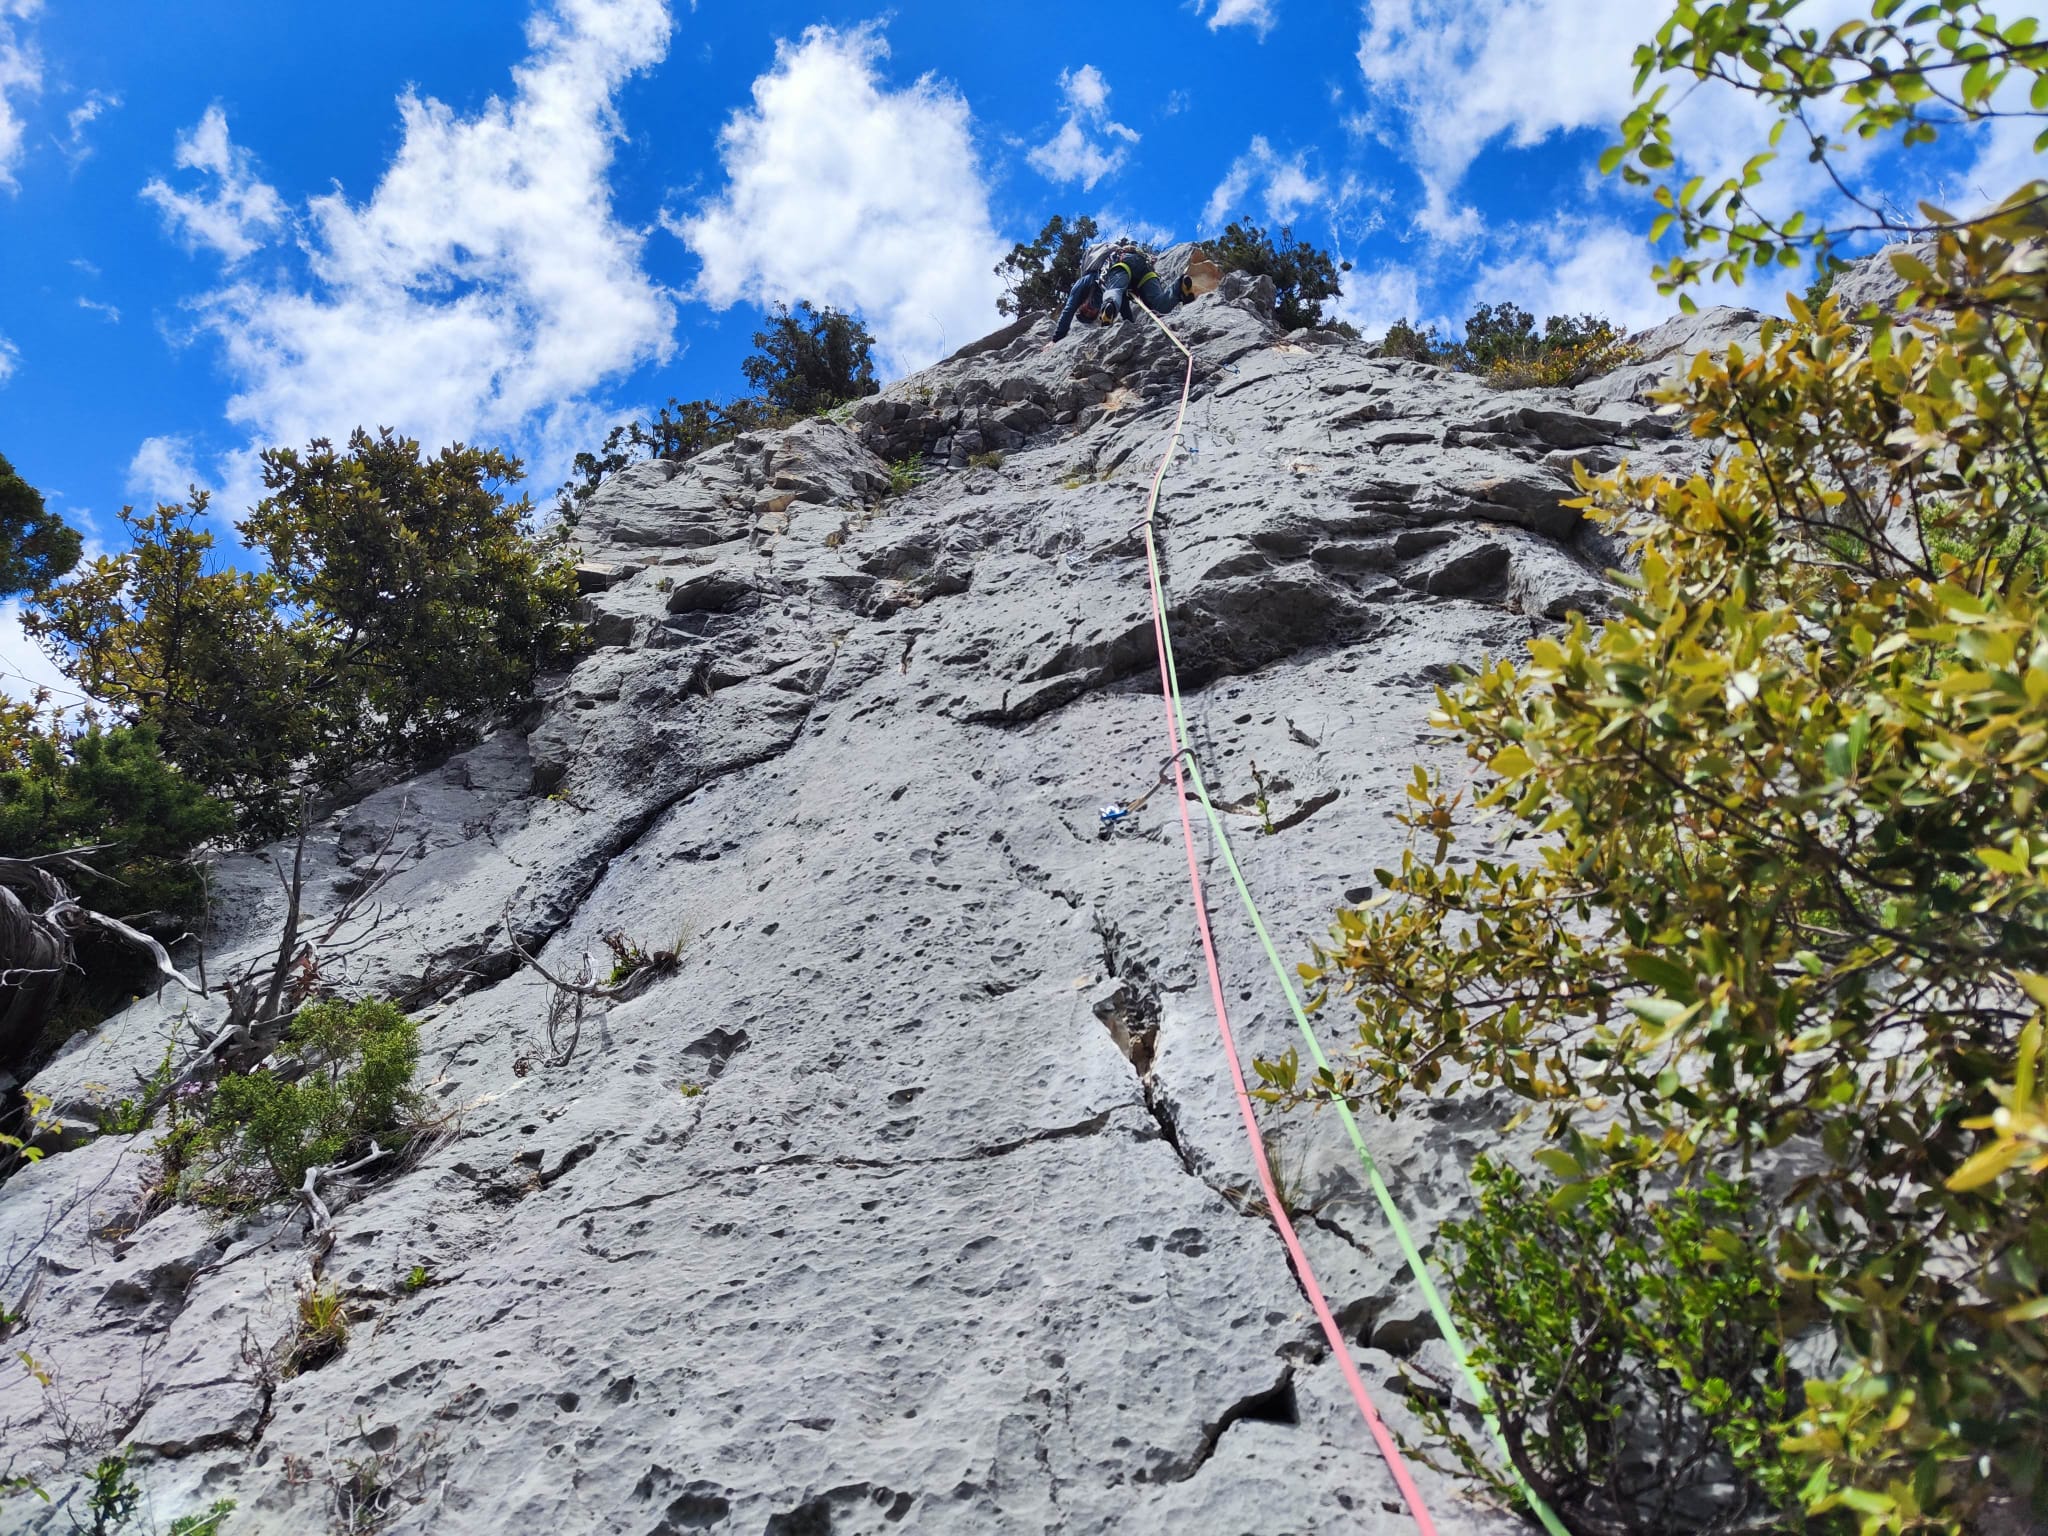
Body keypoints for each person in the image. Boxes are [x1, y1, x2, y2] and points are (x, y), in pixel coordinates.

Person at [1046, 242, 1197, 346]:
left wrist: (1056, 339)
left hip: (1122, 263)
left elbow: (1068, 309)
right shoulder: (1106, 301)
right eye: (1091, 314)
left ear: (1081, 303)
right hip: (1145, 269)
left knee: (1114, 292)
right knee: (1158, 306)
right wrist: (1131, 327)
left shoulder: (1087, 280)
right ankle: (1180, 286)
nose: (1089, 310)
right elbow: (1125, 309)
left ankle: (1110, 303)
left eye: (1084, 310)